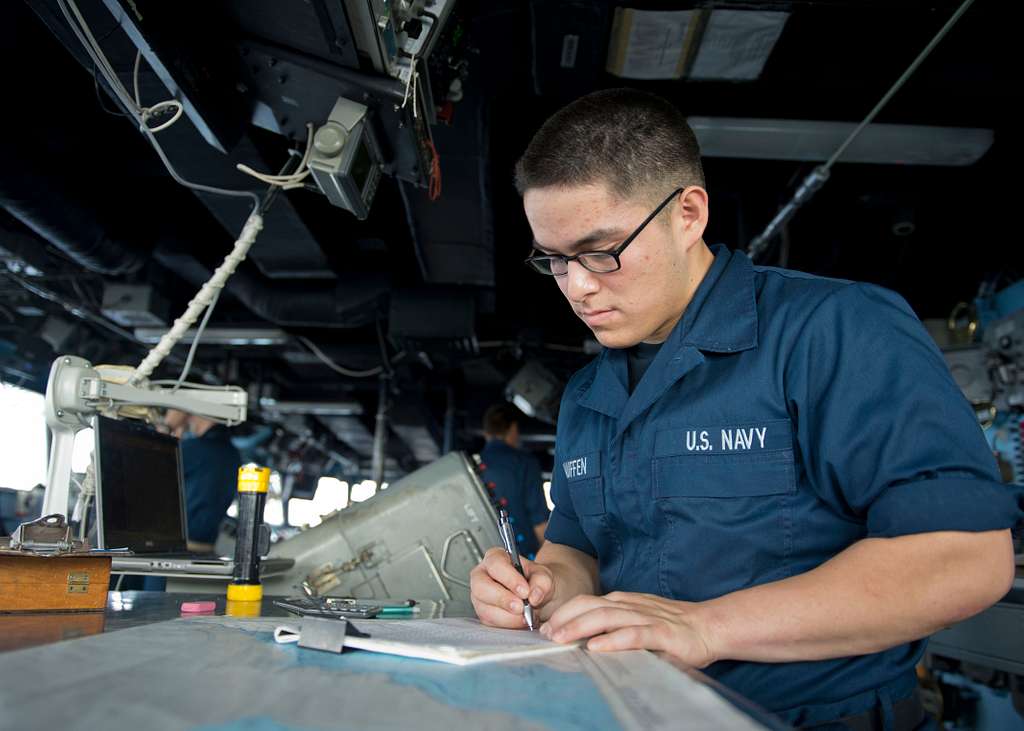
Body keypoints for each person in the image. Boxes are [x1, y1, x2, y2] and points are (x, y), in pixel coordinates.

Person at [469, 88, 1022, 728]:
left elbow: (966, 558)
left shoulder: (832, 331)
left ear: (688, 214)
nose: (579, 286)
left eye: (602, 251)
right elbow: (578, 552)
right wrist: (538, 589)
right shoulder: (590, 395)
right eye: (555, 260)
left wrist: (707, 627)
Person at [163, 409, 240, 552]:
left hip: (178, 550)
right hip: (206, 548)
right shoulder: (233, 454)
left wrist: (168, 426)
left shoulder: (195, 448)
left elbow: (147, 468)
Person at [479, 403, 550, 559]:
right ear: (513, 429)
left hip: (485, 558)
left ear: (486, 433)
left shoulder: (474, 465)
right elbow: (539, 519)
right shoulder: (525, 462)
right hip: (523, 556)